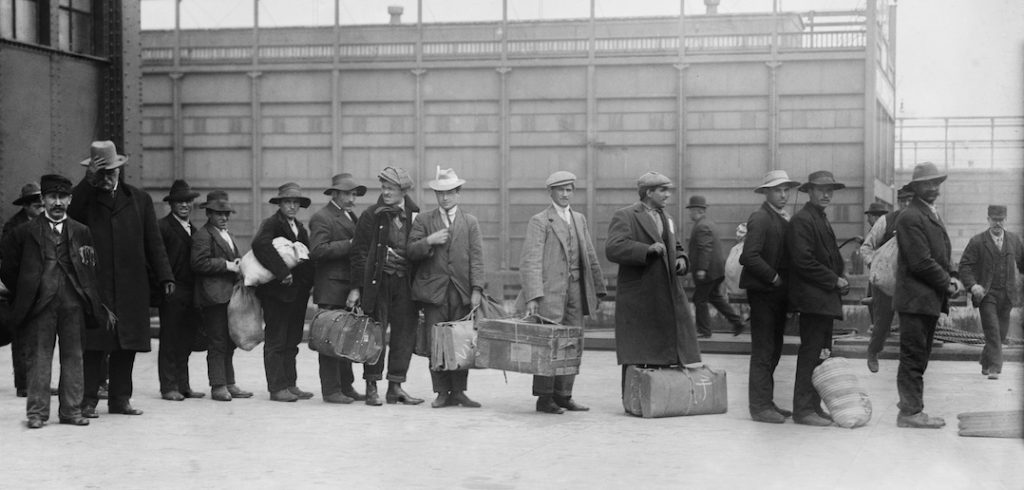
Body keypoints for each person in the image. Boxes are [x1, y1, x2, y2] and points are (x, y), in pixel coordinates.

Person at [68, 140, 174, 418]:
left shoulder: (139, 199)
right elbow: (70, 216)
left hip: (131, 286)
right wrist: (87, 182)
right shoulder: (84, 200)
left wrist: (165, 276)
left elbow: (154, 243)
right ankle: (87, 400)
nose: (107, 177)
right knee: (94, 346)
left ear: (119, 170)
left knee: (127, 346)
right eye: (100, 173)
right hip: (96, 286)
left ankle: (120, 399)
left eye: (110, 171)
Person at [0, 174, 109, 428]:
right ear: (44, 200)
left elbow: (92, 267)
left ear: (70, 200)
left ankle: (71, 411)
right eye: (52, 197)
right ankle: (37, 413)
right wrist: (27, 292)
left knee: (74, 357)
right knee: (39, 358)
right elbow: (8, 270)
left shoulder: (82, 232)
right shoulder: (24, 233)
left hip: (73, 304)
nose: (57, 202)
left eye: (62, 197)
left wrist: (88, 296)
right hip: (40, 306)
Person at [606, 171, 702, 393]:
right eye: (663, 190)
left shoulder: (666, 218)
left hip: (665, 293)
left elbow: (676, 246)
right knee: (638, 352)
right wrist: (645, 250)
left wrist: (681, 259)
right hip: (640, 297)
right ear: (648, 192)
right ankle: (632, 398)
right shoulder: (626, 215)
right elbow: (613, 248)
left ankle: (658, 397)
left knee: (663, 348)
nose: (668, 195)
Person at [519, 171, 606, 414]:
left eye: (569, 189)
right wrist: (533, 296)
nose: (565, 194)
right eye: (560, 190)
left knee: (572, 342)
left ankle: (564, 394)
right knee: (547, 344)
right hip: (550, 293)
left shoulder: (579, 219)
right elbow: (531, 260)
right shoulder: (540, 221)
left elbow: (589, 255)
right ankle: (545, 398)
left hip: (576, 291)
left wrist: (597, 289)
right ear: (551, 192)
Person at [408, 167, 485, 408]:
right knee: (437, 343)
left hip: (461, 292)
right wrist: (428, 241)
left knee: (461, 342)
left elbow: (477, 258)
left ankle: (459, 391)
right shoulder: (423, 220)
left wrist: (476, 290)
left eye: (450, 192)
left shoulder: (470, 222)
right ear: (436, 195)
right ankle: (441, 392)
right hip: (434, 293)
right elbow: (410, 251)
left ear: (458, 193)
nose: (445, 197)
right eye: (440, 193)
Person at [894, 162, 962, 429]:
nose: (933, 187)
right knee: (913, 356)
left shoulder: (929, 213)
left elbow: (941, 253)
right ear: (916, 187)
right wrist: (948, 283)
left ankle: (910, 409)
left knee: (918, 357)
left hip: (925, 300)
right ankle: (910, 413)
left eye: (936, 183)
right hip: (915, 301)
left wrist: (953, 275)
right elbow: (921, 262)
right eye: (927, 183)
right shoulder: (911, 216)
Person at [348, 167, 423, 406]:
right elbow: (358, 254)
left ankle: (396, 387)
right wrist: (357, 287)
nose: (386, 192)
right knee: (374, 335)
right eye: (383, 188)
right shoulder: (371, 215)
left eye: (391, 188)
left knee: (404, 335)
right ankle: (371, 385)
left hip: (405, 285)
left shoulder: (415, 214)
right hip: (377, 285)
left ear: (403, 190)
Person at [786, 170, 850, 427]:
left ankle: (813, 405)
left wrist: (839, 278)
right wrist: (834, 280)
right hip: (813, 301)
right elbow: (803, 261)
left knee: (822, 355)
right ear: (809, 191)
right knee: (811, 354)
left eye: (830, 190)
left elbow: (829, 257)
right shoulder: (803, 221)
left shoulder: (819, 218)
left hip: (824, 299)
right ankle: (803, 410)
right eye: (821, 189)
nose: (826, 194)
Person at [309, 173, 368, 404]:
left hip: (344, 288)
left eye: (354, 194)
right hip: (331, 288)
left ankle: (346, 386)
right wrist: (351, 245)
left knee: (346, 340)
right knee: (329, 340)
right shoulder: (322, 217)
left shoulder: (348, 215)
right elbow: (318, 250)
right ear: (335, 193)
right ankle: (331, 390)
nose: (353, 198)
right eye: (348, 194)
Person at [253, 183, 315, 402]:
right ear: (279, 204)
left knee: (292, 341)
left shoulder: (299, 227)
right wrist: (281, 272)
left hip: (297, 295)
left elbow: (307, 257)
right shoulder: (271, 224)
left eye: (296, 202)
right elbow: (260, 245)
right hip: (276, 294)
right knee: (276, 340)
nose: (292, 206)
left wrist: (308, 284)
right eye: (287, 201)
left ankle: (290, 383)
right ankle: (277, 387)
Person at [190, 191, 253, 402]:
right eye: (219, 214)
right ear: (208, 213)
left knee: (228, 340)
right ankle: (218, 386)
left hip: (228, 296)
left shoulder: (227, 234)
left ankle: (229, 382)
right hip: (213, 297)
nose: (224, 217)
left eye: (227, 213)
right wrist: (226, 265)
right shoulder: (203, 235)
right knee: (217, 341)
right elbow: (198, 263)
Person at [958, 204, 1023, 381]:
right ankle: (995, 367)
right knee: (992, 330)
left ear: (1005, 220)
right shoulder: (977, 241)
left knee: (1000, 334)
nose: (997, 223)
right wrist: (972, 286)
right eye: (994, 220)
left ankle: (985, 361)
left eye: (1001, 220)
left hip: (1008, 295)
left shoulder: (1014, 241)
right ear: (988, 220)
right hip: (986, 294)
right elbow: (964, 266)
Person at [156, 180, 205, 401]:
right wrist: (164, 282)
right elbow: (157, 259)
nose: (184, 205)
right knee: (170, 339)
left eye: (188, 201)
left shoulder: (193, 229)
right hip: (172, 290)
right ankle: (168, 386)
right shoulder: (162, 227)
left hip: (191, 291)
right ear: (171, 204)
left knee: (185, 340)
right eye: (179, 202)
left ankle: (183, 385)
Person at [860, 187, 914, 373]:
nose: (907, 204)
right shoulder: (886, 220)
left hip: (910, 281)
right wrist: (875, 266)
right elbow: (866, 248)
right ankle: (873, 352)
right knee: (882, 323)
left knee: (912, 324)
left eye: (911, 200)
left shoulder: (922, 221)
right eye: (903, 200)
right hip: (885, 282)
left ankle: (909, 364)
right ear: (898, 201)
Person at [2, 182, 43, 398]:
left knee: (39, 338)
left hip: (40, 288)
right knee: (20, 339)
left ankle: (36, 381)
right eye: (35, 203)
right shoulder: (13, 227)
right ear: (25, 206)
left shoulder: (43, 223)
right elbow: (8, 263)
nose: (39, 206)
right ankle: (23, 384)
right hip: (20, 290)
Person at [686, 195, 747, 337]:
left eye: (691, 210)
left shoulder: (702, 226)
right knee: (715, 297)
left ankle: (704, 331)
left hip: (708, 272)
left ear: (698, 210)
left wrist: (702, 269)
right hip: (716, 271)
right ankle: (738, 322)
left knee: (699, 299)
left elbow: (705, 248)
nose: (690, 213)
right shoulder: (708, 223)